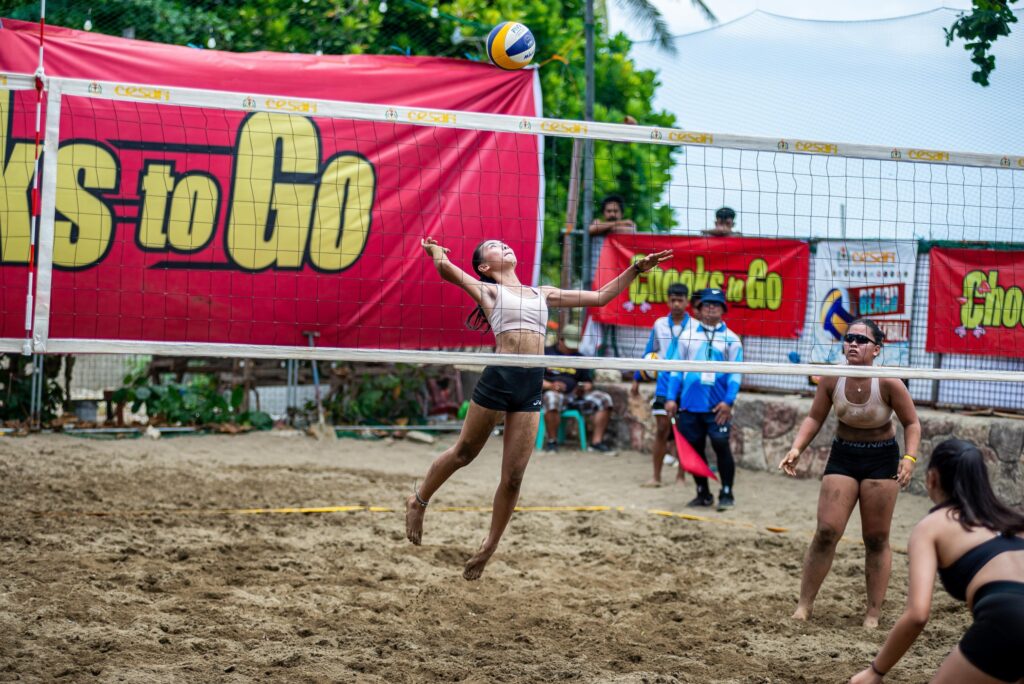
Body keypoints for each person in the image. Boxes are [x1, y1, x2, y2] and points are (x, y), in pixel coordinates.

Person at [407, 237, 671, 580]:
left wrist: (636, 269)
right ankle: (419, 501)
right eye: (493, 247)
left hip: (531, 384)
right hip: (499, 378)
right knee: (464, 453)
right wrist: (436, 251)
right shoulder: (488, 291)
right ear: (484, 267)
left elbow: (601, 297)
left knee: (514, 478)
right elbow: (445, 269)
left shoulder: (542, 293)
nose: (503, 246)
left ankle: (489, 545)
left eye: (504, 244)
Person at [779, 318, 922, 628]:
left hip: (881, 459)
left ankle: (872, 614)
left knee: (876, 538)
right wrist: (796, 448)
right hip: (844, 454)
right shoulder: (833, 378)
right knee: (827, 531)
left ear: (877, 349)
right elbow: (815, 418)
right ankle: (804, 605)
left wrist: (909, 458)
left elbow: (912, 423)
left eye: (861, 339)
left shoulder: (889, 382)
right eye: (849, 338)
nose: (853, 343)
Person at [849, 439, 1024, 684]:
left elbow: (918, 614)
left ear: (932, 479)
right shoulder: (1012, 519)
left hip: (1008, 619)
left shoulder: (933, 526)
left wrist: (876, 671)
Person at [664, 288, 742, 510]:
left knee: (721, 446)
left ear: (723, 309)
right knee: (693, 451)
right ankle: (703, 492)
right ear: (698, 309)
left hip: (718, 406)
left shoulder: (732, 340)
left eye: (716, 304)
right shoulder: (687, 335)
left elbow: (736, 374)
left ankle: (727, 492)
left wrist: (728, 402)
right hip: (689, 405)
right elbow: (676, 370)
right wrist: (671, 398)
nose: (711, 308)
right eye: (706, 304)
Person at [630, 282, 691, 486]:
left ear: (686, 302)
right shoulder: (659, 324)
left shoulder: (695, 327)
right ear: (668, 300)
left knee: (683, 430)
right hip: (664, 382)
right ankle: (656, 476)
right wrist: (637, 378)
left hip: (685, 383)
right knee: (662, 429)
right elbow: (649, 351)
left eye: (680, 300)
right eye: (672, 300)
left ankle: (681, 476)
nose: (676, 304)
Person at [543, 324, 617, 453]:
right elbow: (534, 379)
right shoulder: (546, 353)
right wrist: (550, 386)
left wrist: (583, 388)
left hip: (575, 396)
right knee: (551, 398)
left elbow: (588, 382)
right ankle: (552, 442)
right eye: (569, 344)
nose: (572, 348)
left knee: (605, 399)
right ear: (560, 340)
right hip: (552, 394)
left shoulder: (580, 357)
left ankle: (596, 442)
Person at [588, 194, 636, 284]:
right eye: (609, 211)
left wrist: (603, 227)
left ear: (622, 213)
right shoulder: (624, 224)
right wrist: (621, 223)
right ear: (603, 213)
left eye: (615, 211)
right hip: (597, 278)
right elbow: (592, 229)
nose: (612, 214)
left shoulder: (628, 227)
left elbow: (631, 229)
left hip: (620, 279)